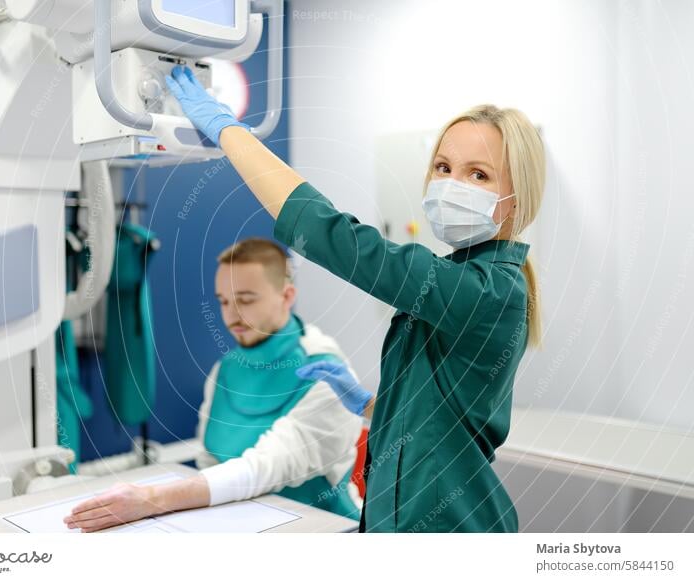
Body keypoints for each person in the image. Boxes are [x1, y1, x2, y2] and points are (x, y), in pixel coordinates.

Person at [157, 66, 546, 533]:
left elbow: (338, 238)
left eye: (477, 174)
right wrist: (372, 406)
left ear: (518, 199)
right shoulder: (464, 278)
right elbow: (442, 423)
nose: (451, 184)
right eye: (443, 167)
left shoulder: (489, 291)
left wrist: (229, 133)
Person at [64, 238, 363, 532]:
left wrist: (151, 499)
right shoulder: (225, 371)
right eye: (223, 301)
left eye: (246, 300)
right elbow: (209, 459)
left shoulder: (328, 374)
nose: (232, 315)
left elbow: (267, 467)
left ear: (287, 296)